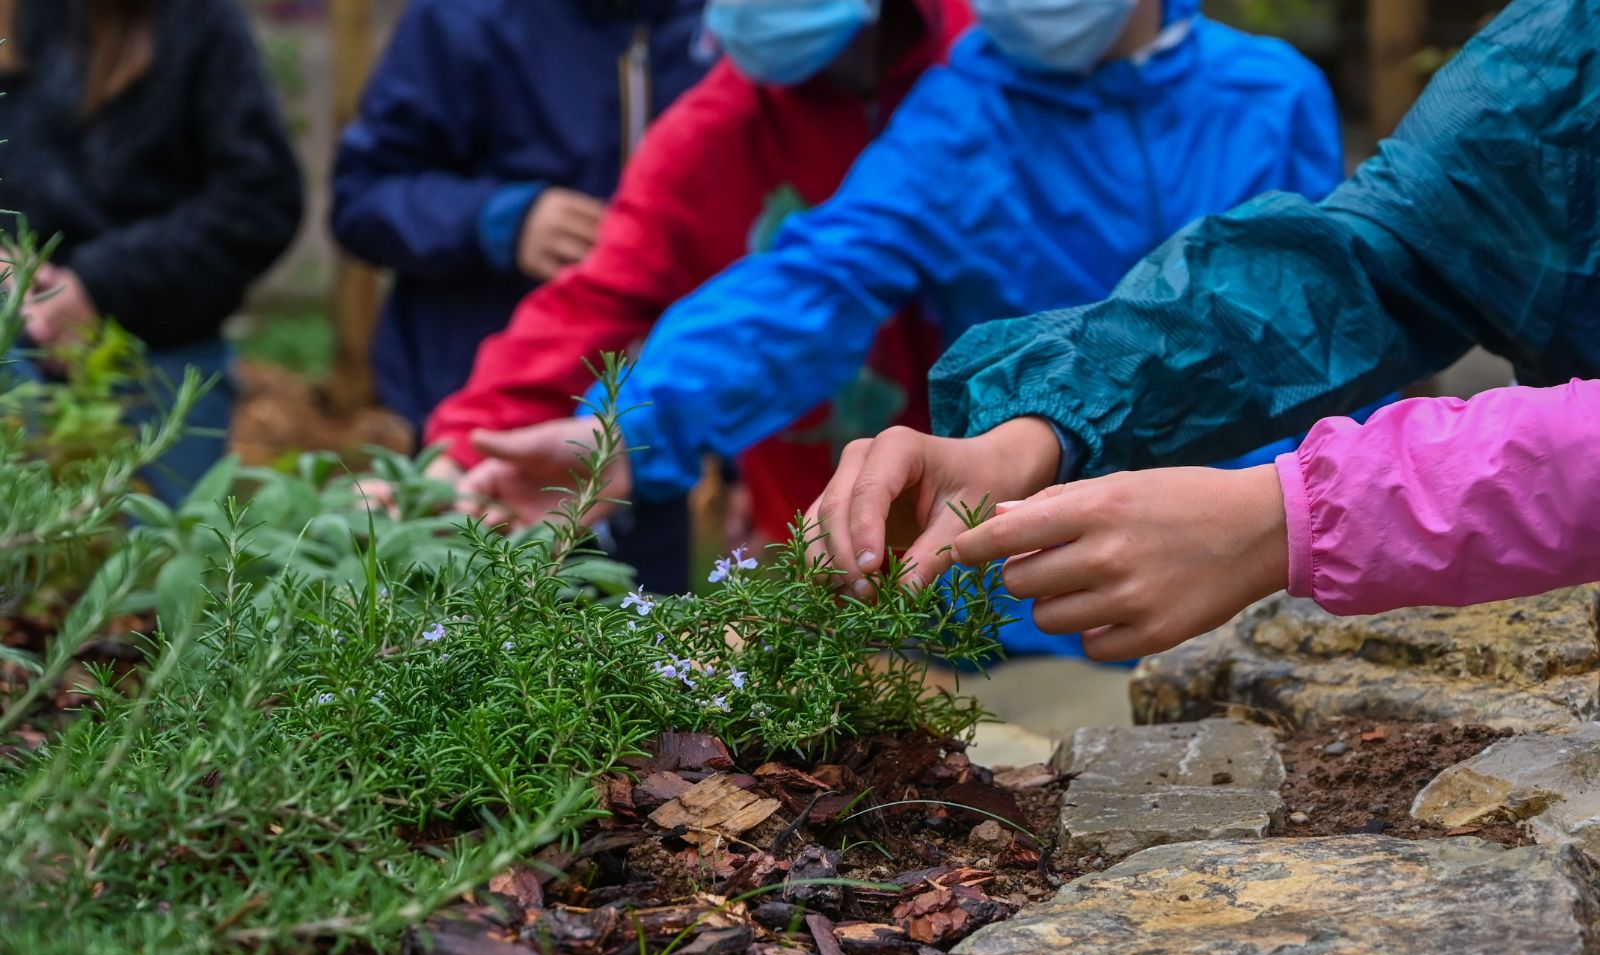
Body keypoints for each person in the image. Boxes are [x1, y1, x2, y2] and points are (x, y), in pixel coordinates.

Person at [449, 0, 1347, 653]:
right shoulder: (963, 115)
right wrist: (633, 430)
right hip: (1030, 582)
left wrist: (1306, 516)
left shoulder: (1272, 94)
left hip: (1252, 548)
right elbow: (817, 276)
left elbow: (1315, 321)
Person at [805, 0, 1600, 659]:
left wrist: (1287, 518)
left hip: (1271, 563)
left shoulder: (1266, 86)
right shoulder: (1563, 49)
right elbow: (1379, 254)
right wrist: (1039, 426)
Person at [424, 0, 973, 559]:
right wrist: (459, 453)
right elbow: (599, 299)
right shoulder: (716, 129)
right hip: (831, 531)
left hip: (1017, 510)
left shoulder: (985, 73)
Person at [331, 0, 710, 436]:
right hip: (485, 410)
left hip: (666, 415)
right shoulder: (462, 18)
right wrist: (500, 219)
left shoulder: (723, 25)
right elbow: (363, 194)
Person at [0, 0, 302, 504]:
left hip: (156, 354)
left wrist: (98, 288)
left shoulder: (197, 22)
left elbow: (260, 201)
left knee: (167, 567)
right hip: (13, 339)